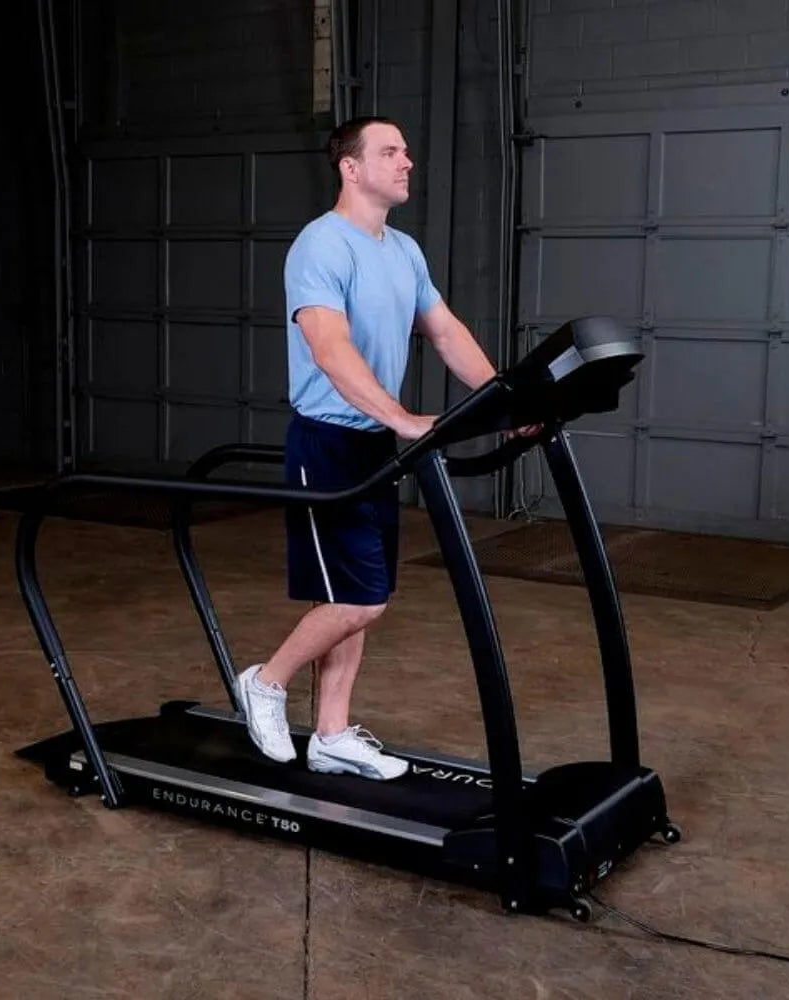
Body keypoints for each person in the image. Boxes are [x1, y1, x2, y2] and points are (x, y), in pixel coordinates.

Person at [235, 115, 529, 780]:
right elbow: (329, 350)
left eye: (407, 150)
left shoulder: (403, 251)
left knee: (359, 593)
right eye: (390, 152)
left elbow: (447, 332)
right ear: (351, 167)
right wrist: (401, 417)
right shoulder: (321, 245)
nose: (407, 163)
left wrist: (506, 404)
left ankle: (332, 732)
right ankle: (266, 681)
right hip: (328, 442)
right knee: (361, 597)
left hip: (375, 443)